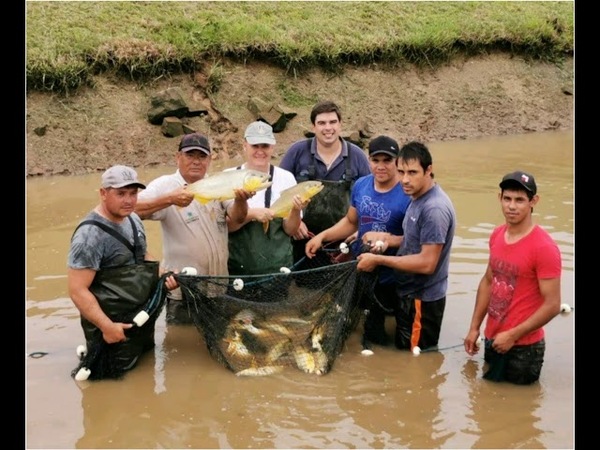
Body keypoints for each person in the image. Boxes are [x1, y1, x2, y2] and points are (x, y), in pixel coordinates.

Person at [67, 165, 178, 377]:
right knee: (111, 389)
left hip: (142, 320)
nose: (128, 200)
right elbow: (77, 290)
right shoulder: (89, 236)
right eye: (120, 193)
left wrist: (164, 274)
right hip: (112, 329)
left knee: (145, 379)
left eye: (133, 193)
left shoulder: (133, 218)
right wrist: (107, 327)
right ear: (103, 193)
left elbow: (142, 255)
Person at [135, 132, 254, 323]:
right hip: (181, 290)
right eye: (190, 155)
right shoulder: (164, 185)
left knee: (216, 339)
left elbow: (238, 218)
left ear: (209, 160)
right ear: (178, 157)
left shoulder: (218, 183)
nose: (196, 161)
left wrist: (241, 200)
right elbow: (130, 210)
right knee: (179, 344)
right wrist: (169, 199)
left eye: (202, 156)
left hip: (218, 287)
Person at [305, 136, 411, 346]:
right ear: (368, 160)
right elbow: (351, 221)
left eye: (387, 160)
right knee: (362, 328)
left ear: (397, 162)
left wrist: (386, 240)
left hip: (394, 277)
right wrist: (322, 236)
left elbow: (415, 240)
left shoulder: (408, 192)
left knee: (397, 341)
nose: (380, 166)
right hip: (361, 269)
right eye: (375, 160)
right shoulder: (362, 185)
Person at [356, 141, 456, 352]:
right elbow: (415, 240)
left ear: (429, 170)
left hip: (422, 300)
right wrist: (388, 239)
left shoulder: (434, 209)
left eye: (412, 172)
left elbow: (427, 263)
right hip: (409, 295)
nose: (405, 180)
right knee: (404, 350)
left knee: (416, 362)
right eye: (401, 172)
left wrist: (378, 260)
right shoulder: (417, 197)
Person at [463, 171, 562, 385]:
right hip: (493, 339)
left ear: (533, 201)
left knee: (520, 413)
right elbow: (488, 281)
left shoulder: (544, 248)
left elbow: (553, 304)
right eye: (507, 198)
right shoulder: (497, 235)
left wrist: (512, 335)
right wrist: (474, 328)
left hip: (525, 349)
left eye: (519, 200)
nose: (512, 206)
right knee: (486, 407)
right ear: (500, 198)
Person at [279, 100, 371, 263]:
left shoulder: (357, 157)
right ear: (313, 127)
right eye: (321, 123)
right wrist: (294, 221)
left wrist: (360, 230)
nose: (328, 128)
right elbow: (278, 192)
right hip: (302, 238)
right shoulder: (297, 152)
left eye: (333, 122)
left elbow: (370, 200)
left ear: (340, 124)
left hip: (344, 241)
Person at [224, 121, 306, 299]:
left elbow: (291, 230)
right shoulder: (229, 176)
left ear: (273, 147)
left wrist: (295, 211)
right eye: (255, 145)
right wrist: (252, 213)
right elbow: (227, 227)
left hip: (277, 271)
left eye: (265, 146)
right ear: (244, 145)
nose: (260, 151)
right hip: (238, 271)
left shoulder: (286, 178)